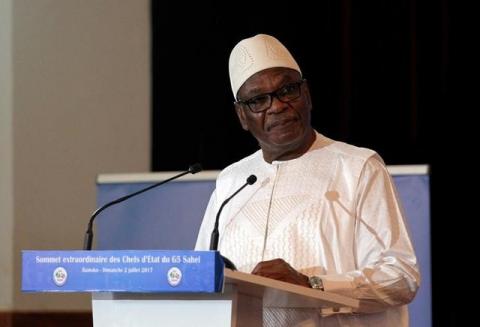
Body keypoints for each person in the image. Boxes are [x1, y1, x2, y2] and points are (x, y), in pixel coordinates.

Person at [195, 34, 420, 326]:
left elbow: (401, 277)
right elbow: (201, 278)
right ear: (242, 116)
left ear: (307, 95)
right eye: (258, 100)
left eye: (287, 90)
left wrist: (312, 284)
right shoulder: (231, 182)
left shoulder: (358, 167)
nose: (276, 106)